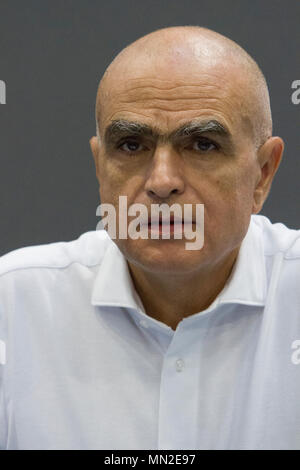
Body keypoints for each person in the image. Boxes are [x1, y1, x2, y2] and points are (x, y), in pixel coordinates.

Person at [0, 25, 299, 450]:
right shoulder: (11, 308)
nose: (162, 182)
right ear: (100, 167)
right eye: (132, 145)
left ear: (263, 174)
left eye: (202, 145)